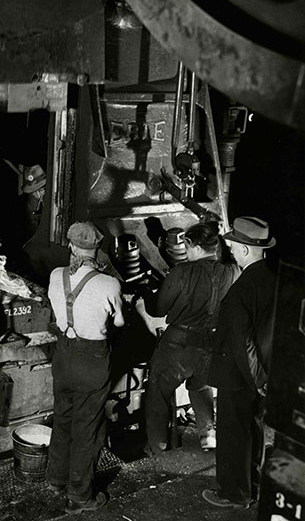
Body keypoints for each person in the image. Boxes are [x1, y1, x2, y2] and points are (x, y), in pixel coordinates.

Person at [46, 221, 125, 515]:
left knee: (62, 416)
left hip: (63, 357)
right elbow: (118, 323)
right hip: (92, 360)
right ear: (98, 250)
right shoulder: (110, 283)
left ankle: (55, 478)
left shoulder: (55, 276)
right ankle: (79, 496)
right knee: (87, 426)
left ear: (70, 246)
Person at [143, 222, 239, 455]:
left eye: (187, 247)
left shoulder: (182, 272)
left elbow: (158, 309)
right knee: (201, 385)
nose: (186, 252)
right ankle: (208, 435)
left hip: (178, 344)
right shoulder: (232, 271)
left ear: (194, 246)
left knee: (158, 392)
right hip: (211, 342)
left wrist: (146, 292)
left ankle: (157, 446)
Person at [202, 216, 276, 509]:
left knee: (233, 434)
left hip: (240, 376)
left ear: (245, 250)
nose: (230, 249)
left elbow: (242, 342)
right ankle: (253, 485)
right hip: (265, 370)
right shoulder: (273, 277)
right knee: (253, 430)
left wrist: (256, 379)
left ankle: (233, 493)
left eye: (233, 246)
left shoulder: (243, 289)